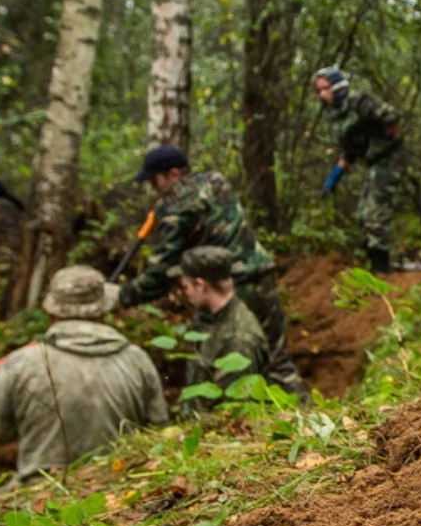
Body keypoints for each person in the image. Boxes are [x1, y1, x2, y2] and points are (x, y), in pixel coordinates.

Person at [116, 145, 311, 404]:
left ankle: (221, 418)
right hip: (260, 272)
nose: (154, 188)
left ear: (173, 173)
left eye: (155, 180)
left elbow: (161, 272)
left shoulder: (175, 207)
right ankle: (307, 420)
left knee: (214, 358)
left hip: (226, 288)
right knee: (277, 358)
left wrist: (122, 295)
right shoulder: (215, 180)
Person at [0, 265, 167, 479]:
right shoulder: (137, 360)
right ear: (104, 310)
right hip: (121, 492)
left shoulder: (20, 364)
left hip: (41, 499)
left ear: (51, 311)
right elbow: (158, 430)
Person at [313, 67, 405, 275]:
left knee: (376, 215)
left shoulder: (358, 102)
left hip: (388, 160)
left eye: (325, 89)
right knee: (363, 215)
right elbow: (349, 153)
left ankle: (381, 271)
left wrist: (385, 143)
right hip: (373, 163)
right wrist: (331, 182)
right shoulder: (337, 116)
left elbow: (391, 116)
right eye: (319, 91)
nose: (322, 95)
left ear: (337, 87)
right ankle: (375, 263)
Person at [173, 245, 272, 413]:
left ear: (200, 284)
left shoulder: (238, 341)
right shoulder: (207, 318)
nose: (185, 293)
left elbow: (233, 416)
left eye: (186, 287)